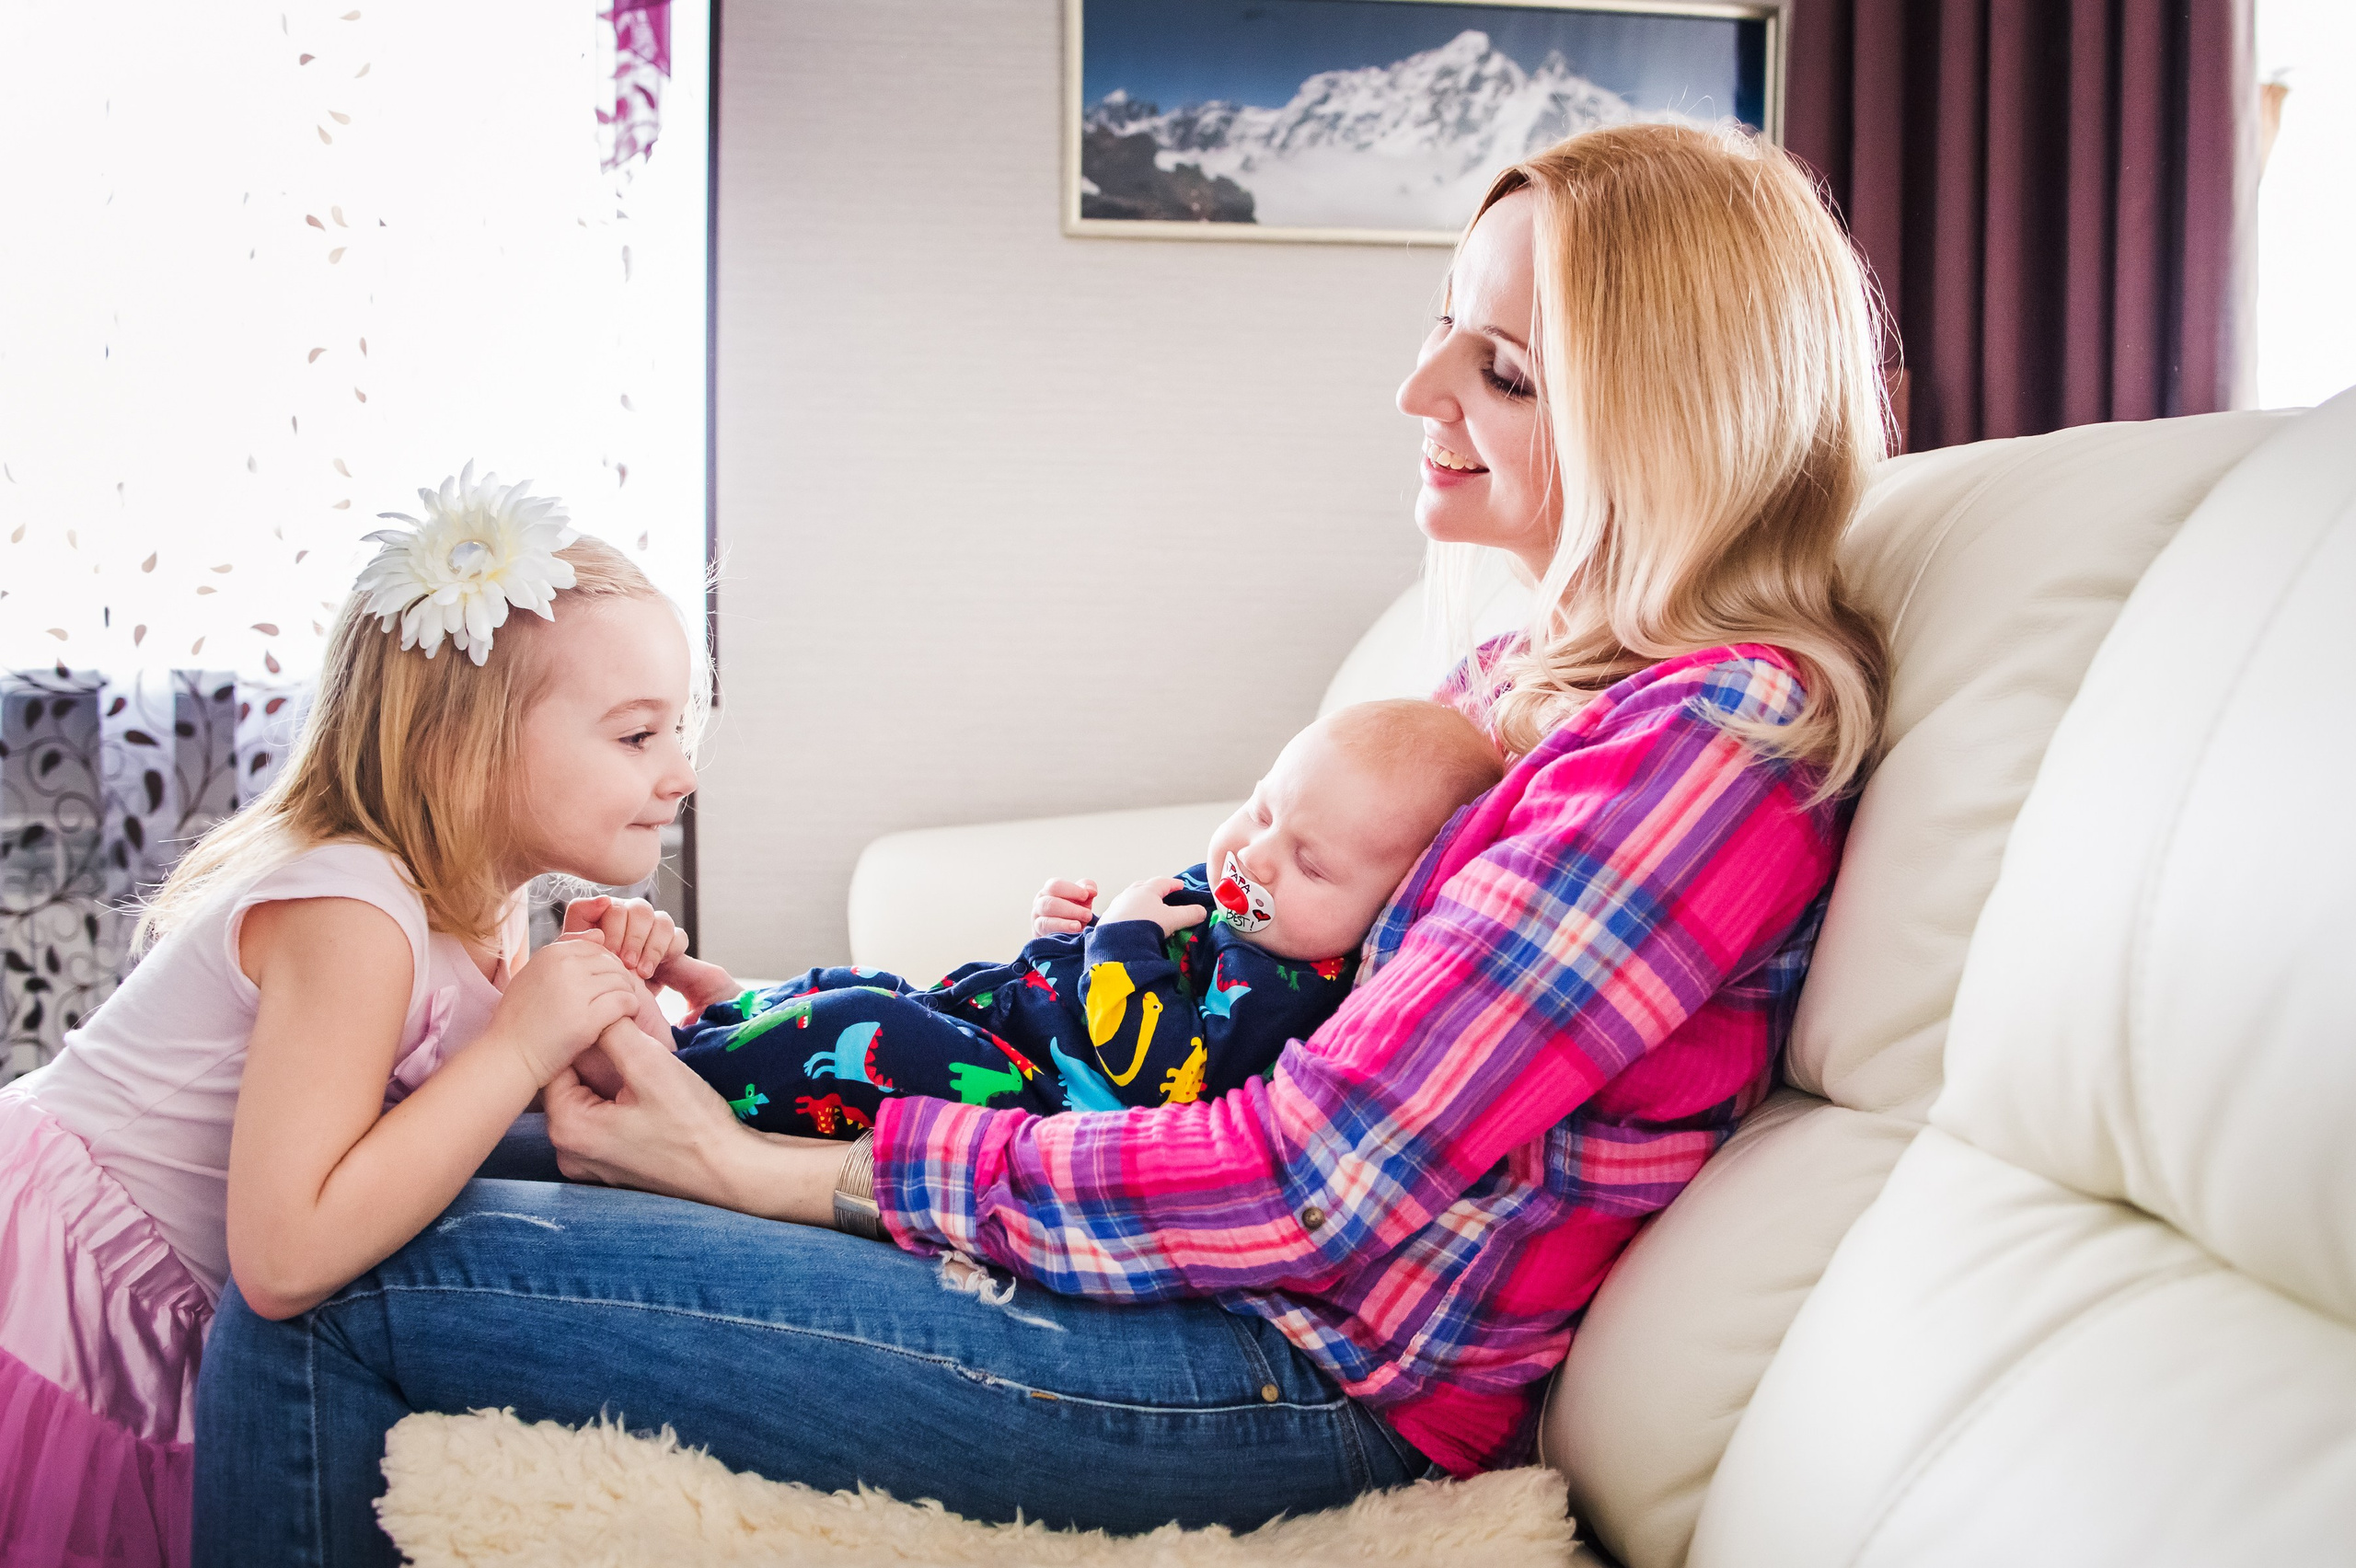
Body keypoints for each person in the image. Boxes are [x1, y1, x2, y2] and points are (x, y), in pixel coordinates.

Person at [192, 121, 1891, 1562]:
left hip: (1278, 1367)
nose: (1415, 384)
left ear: (1665, 416)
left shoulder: (1705, 745)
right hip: (1194, 1293)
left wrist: (777, 1170)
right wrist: (806, 1024)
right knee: (439, 1149)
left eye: (1501, 367)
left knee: (328, 1293)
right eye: (1446, 323)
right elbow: (1235, 1013)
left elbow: (1307, 1181)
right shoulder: (1519, 676)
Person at [0, 470, 703, 1568]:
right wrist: (522, 1038)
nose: (681, 775)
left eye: (679, 731)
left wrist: (597, 1017)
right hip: (57, 1294)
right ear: (462, 741)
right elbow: (283, 1259)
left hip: (166, 1301)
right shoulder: (352, 908)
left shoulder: (491, 904)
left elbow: (427, 1136)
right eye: (635, 737)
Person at [672, 699, 1505, 1136]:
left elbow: (1164, 1079)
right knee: (865, 986)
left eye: (1312, 863)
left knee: (859, 1027)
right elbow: (1108, 977)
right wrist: (1067, 936)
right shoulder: (1247, 905)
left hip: (1039, 1099)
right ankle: (722, 1011)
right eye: (1259, 811)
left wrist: (1119, 943)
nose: (1257, 856)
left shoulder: (1285, 992)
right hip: (1007, 1017)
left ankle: (677, 1080)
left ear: (1384, 910)